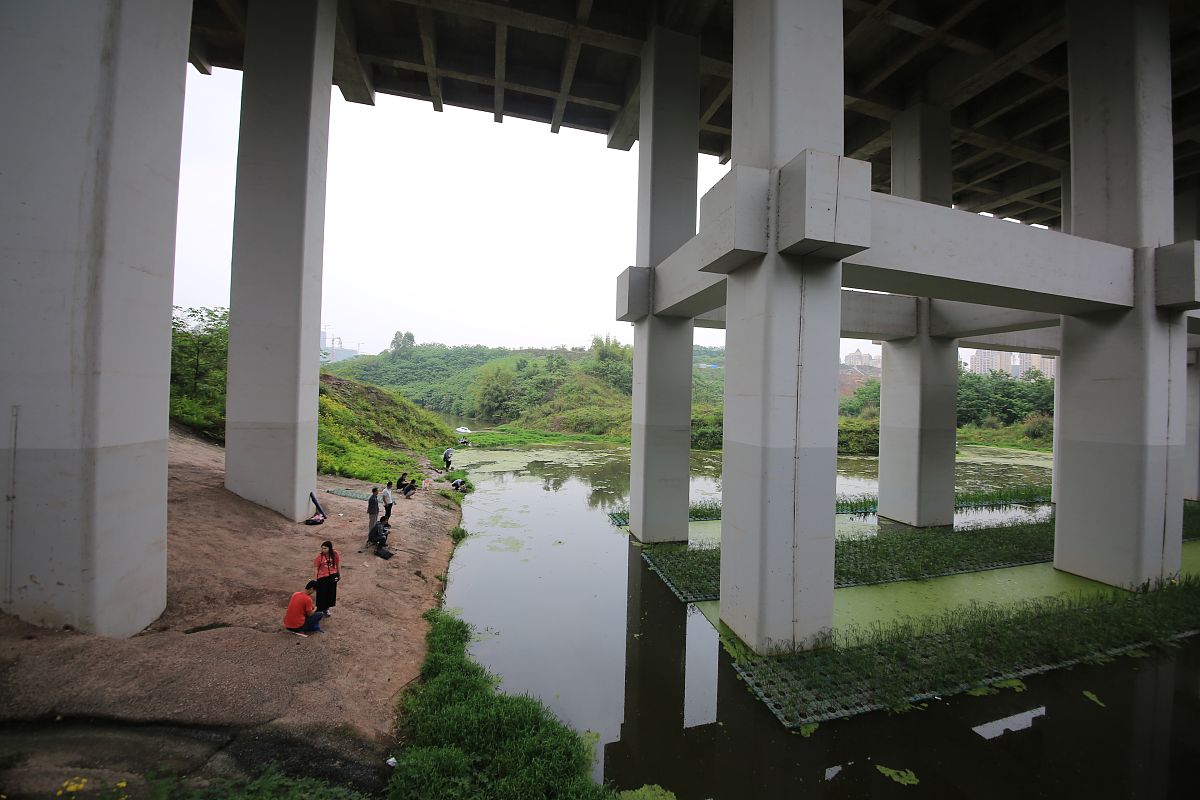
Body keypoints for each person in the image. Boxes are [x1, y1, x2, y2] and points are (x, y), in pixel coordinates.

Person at [313, 540, 340, 615]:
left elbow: (338, 564)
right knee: (321, 594)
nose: (323, 550)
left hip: (332, 576)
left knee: (330, 593)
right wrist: (315, 579)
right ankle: (319, 610)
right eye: (322, 548)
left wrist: (339, 574)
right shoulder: (319, 557)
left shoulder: (335, 554)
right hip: (322, 577)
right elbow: (316, 568)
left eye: (325, 548)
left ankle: (326, 609)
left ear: (329, 548)